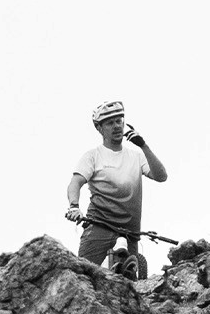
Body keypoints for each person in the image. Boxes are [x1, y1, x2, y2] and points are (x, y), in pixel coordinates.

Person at [66, 100, 169, 270]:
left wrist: (143, 145)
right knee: (84, 275)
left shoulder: (136, 157)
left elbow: (161, 176)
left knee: (130, 281)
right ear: (99, 128)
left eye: (119, 121)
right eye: (110, 123)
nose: (116, 126)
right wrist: (74, 207)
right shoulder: (93, 156)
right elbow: (75, 183)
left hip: (130, 232)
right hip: (99, 227)